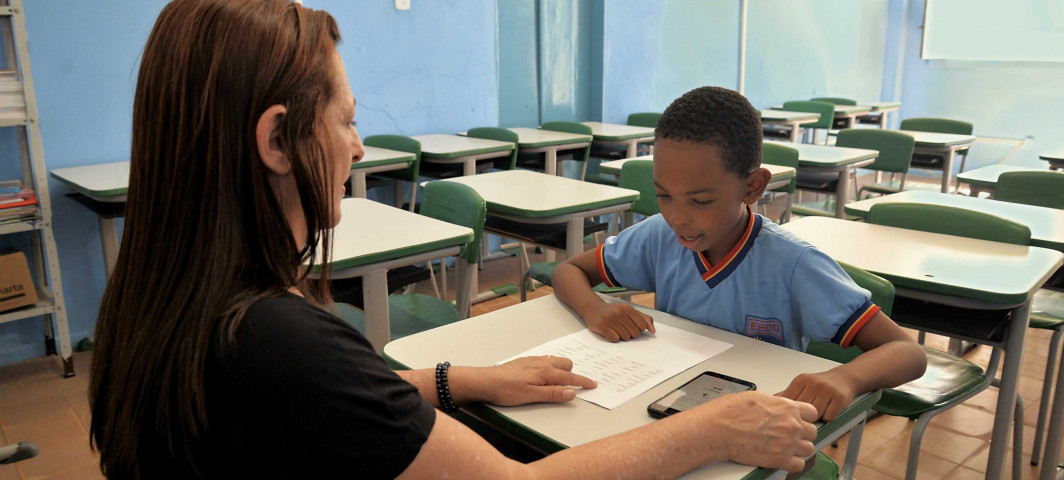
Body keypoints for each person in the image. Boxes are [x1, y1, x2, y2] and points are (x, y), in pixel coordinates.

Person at [89, 2, 820, 478]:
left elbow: (321, 398)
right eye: (345, 121)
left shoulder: (160, 293)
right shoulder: (274, 333)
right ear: (278, 140)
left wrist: (460, 380)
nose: (356, 147)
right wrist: (712, 428)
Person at [553, 86, 927, 423]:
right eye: (664, 195)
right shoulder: (659, 235)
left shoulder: (794, 265)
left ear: (753, 187)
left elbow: (908, 353)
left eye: (700, 200)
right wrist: (595, 308)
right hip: (673, 409)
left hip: (762, 423)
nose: (677, 217)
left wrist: (845, 377)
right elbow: (568, 271)